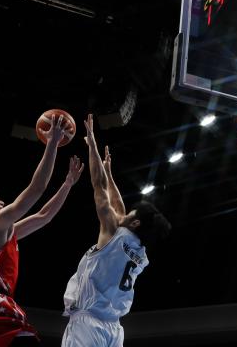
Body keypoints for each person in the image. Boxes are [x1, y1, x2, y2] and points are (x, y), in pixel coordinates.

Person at [0, 114, 85, 346]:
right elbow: (36, 189)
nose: (2, 202)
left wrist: (66, 184)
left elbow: (44, 216)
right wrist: (53, 143)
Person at [61, 114, 171, 347]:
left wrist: (92, 144)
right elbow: (118, 206)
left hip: (88, 323)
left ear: (135, 224)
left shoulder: (112, 232)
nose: (125, 213)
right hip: (114, 329)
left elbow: (97, 185)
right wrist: (110, 174)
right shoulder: (140, 252)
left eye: (131, 214)